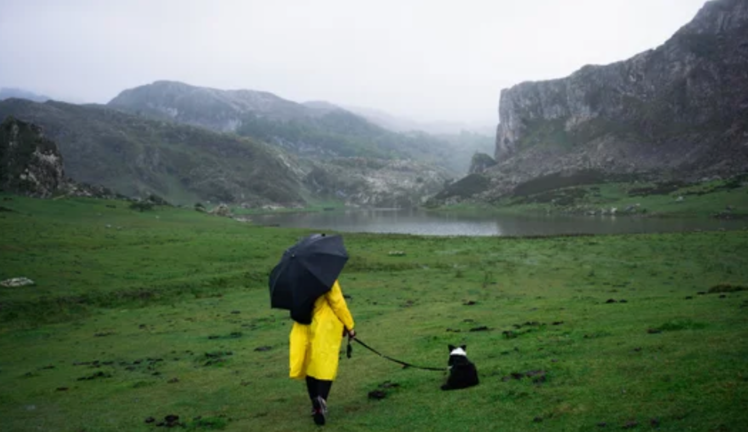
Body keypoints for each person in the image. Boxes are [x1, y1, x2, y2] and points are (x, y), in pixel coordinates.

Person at [289, 279, 355, 426]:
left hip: (303, 324)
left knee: (310, 365)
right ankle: (321, 401)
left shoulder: (297, 278)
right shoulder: (326, 276)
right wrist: (350, 326)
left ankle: (315, 404)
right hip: (325, 325)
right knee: (326, 363)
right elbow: (338, 304)